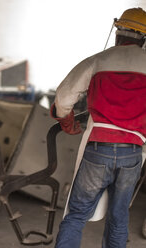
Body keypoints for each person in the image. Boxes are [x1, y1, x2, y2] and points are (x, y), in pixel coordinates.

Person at [50, 7, 146, 248]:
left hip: (99, 150)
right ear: (143, 38)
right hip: (132, 154)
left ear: (117, 33)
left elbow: (62, 97)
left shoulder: (98, 60)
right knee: (118, 218)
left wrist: (67, 121)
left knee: (77, 215)